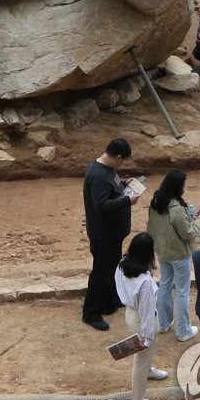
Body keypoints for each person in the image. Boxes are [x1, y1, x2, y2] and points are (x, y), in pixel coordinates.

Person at [82, 138, 139, 331]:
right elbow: (102, 206)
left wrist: (123, 185)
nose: (122, 164)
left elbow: (111, 190)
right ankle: (90, 313)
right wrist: (127, 201)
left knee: (111, 270)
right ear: (118, 156)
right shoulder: (98, 175)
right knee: (101, 273)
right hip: (103, 234)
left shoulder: (107, 170)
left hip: (112, 233)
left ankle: (109, 302)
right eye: (123, 161)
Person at [115, 232, 170, 400]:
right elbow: (147, 313)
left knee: (144, 356)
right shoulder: (145, 282)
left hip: (130, 313)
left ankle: (148, 370)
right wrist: (147, 338)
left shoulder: (122, 265)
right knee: (141, 357)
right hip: (141, 319)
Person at [146, 170, 200, 343]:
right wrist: (197, 222)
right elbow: (187, 233)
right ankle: (183, 330)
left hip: (163, 251)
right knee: (182, 291)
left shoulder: (156, 201)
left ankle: (163, 323)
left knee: (164, 285)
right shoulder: (176, 208)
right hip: (179, 254)